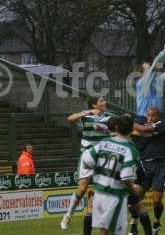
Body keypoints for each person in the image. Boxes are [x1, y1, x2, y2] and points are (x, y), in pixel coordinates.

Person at [82, 114, 143, 235]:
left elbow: (87, 161)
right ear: (131, 130)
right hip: (115, 195)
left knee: (104, 231)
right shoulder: (130, 149)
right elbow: (126, 177)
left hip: (99, 194)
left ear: (116, 127)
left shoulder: (103, 143)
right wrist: (133, 189)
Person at [61, 96, 115, 233]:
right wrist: (87, 112)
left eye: (104, 100)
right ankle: (68, 215)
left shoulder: (109, 118)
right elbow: (70, 119)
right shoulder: (87, 116)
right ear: (94, 105)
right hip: (87, 155)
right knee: (82, 188)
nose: (105, 102)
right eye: (101, 101)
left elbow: (118, 129)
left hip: (103, 158)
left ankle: (98, 219)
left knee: (102, 189)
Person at [128, 107, 165, 235]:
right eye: (148, 116)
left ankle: (156, 222)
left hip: (160, 165)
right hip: (144, 165)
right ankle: (133, 226)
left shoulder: (163, 125)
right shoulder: (142, 124)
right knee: (136, 197)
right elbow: (136, 133)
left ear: (158, 116)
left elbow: (146, 130)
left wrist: (132, 126)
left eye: (153, 116)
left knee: (157, 199)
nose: (150, 118)